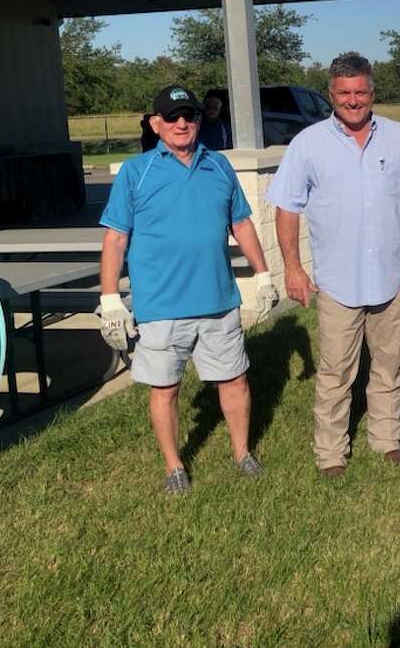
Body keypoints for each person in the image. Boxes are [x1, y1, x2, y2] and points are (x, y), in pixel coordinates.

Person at [266, 52, 400, 477]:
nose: (353, 100)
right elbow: (286, 209)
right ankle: (331, 452)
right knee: (335, 371)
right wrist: (293, 268)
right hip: (337, 280)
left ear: (372, 93)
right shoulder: (308, 144)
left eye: (361, 92)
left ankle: (385, 437)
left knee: (389, 363)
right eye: (345, 93)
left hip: (390, 275)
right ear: (331, 94)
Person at [98, 85, 280, 495]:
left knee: (234, 380)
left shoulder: (219, 166)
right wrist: (110, 300)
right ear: (155, 123)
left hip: (218, 301)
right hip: (160, 306)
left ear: (200, 120)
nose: (182, 123)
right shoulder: (135, 171)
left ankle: (242, 453)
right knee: (166, 389)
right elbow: (115, 239)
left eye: (190, 116)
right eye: (173, 116)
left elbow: (242, 224)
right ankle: (174, 466)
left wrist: (265, 274)